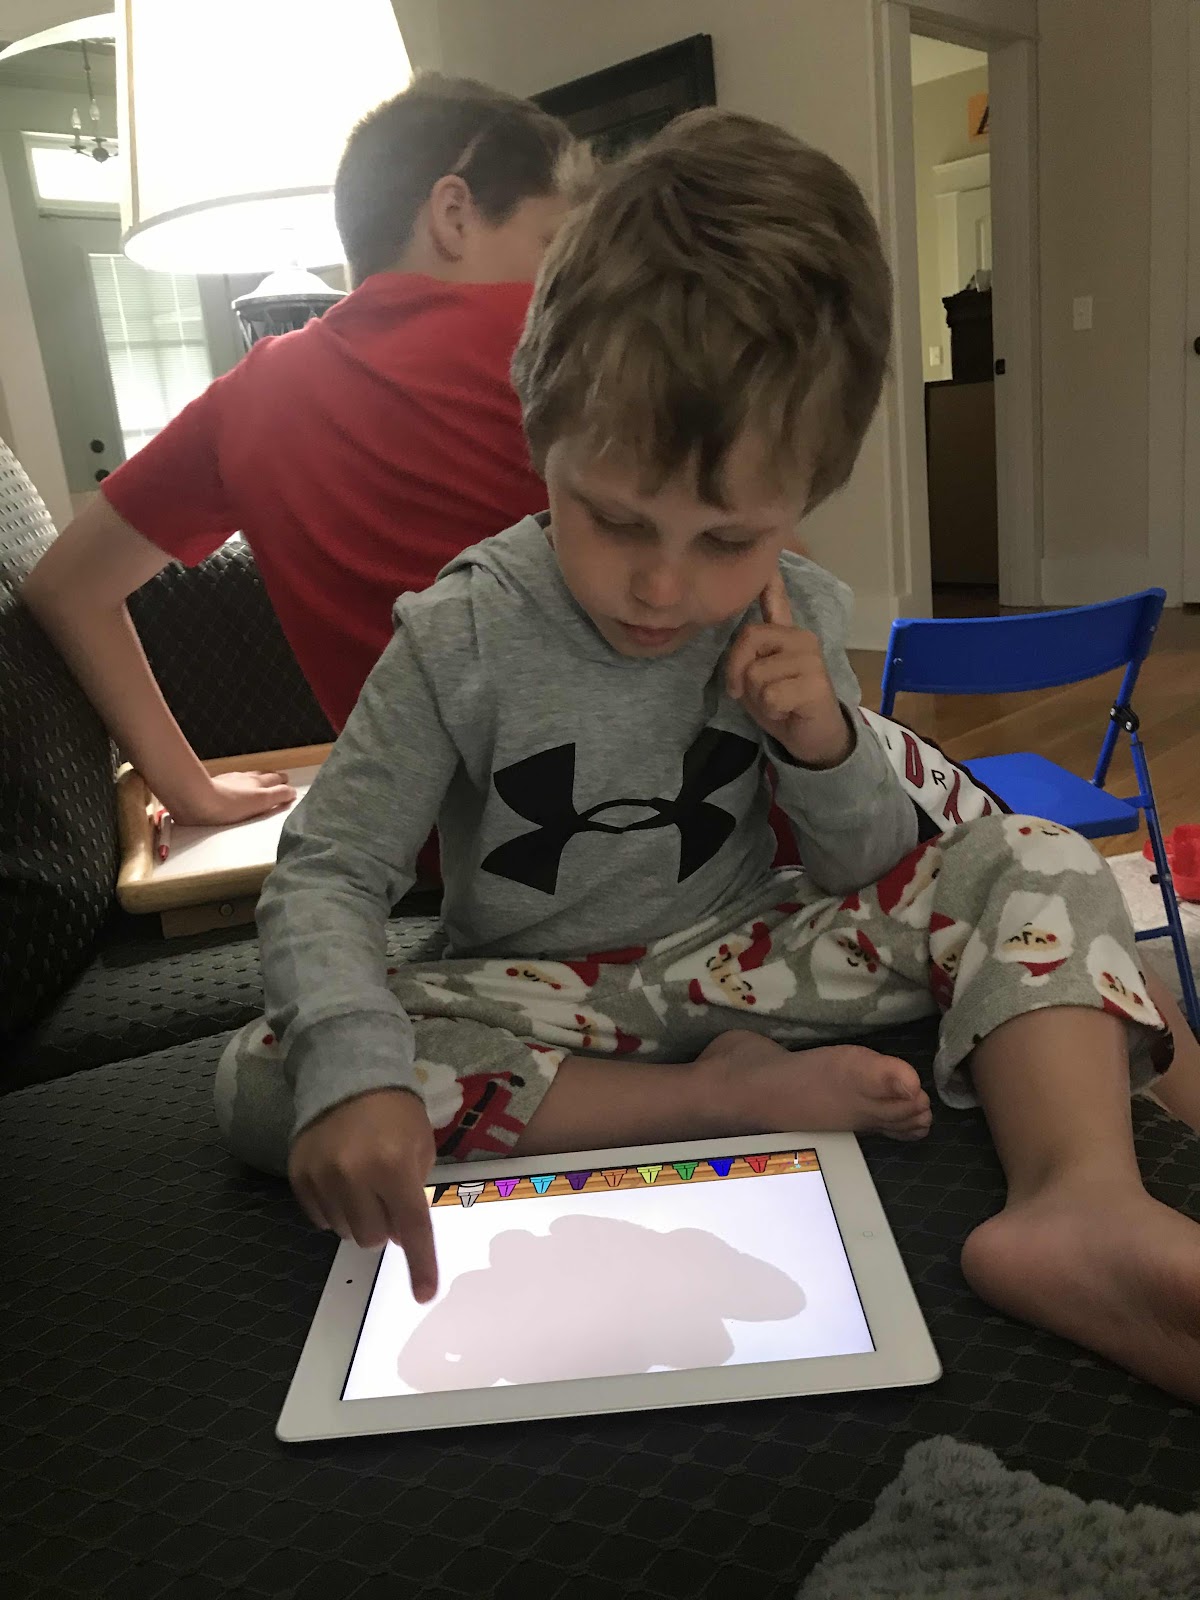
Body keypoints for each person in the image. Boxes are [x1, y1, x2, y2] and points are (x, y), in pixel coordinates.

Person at [216, 109, 1200, 1406]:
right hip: (539, 993)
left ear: (801, 503)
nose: (664, 587)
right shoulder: (462, 632)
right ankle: (715, 1101)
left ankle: (1081, 1204)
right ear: (542, 437)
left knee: (1037, 855)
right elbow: (329, 872)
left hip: (753, 958)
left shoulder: (799, 610)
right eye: (615, 519)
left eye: (728, 539)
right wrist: (357, 1074)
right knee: (273, 1069)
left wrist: (825, 741)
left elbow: (863, 866)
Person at [21, 75, 583, 826]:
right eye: (552, 244)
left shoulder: (251, 394)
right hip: (676, 830)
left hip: (418, 855)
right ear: (452, 214)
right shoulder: (569, 341)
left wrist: (190, 791)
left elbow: (67, 587)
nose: (559, 278)